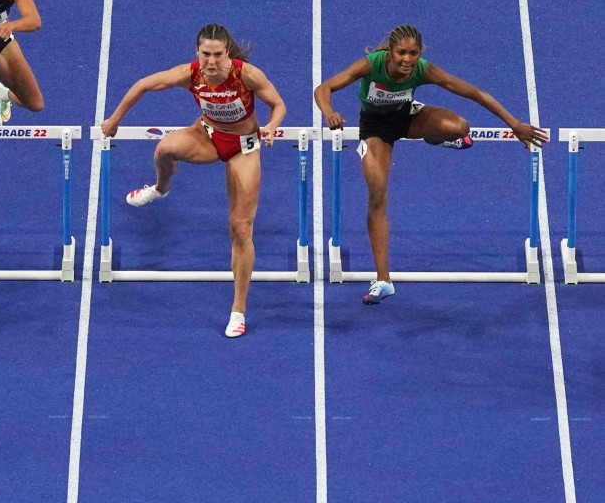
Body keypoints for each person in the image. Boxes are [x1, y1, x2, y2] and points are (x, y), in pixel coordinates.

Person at [313, 24, 549, 305]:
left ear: (419, 53)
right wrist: (329, 112)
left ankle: (441, 139)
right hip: (376, 129)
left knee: (460, 126)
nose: (406, 60)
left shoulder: (423, 70)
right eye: (401, 53)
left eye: (413, 53)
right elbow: (324, 88)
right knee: (377, 194)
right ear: (390, 51)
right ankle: (383, 280)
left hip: (408, 118)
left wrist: (514, 124)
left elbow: (473, 92)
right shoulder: (371, 65)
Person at [101, 23, 287, 338]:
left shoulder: (247, 75)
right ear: (196, 52)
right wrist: (115, 119)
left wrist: (271, 127)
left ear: (227, 53)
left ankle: (238, 310)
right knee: (164, 149)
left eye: (217, 55)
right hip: (208, 136)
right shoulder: (190, 74)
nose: (211, 62)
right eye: (205, 55)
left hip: (244, 149)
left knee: (240, 228)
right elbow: (143, 84)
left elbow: (279, 105)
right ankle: (161, 188)